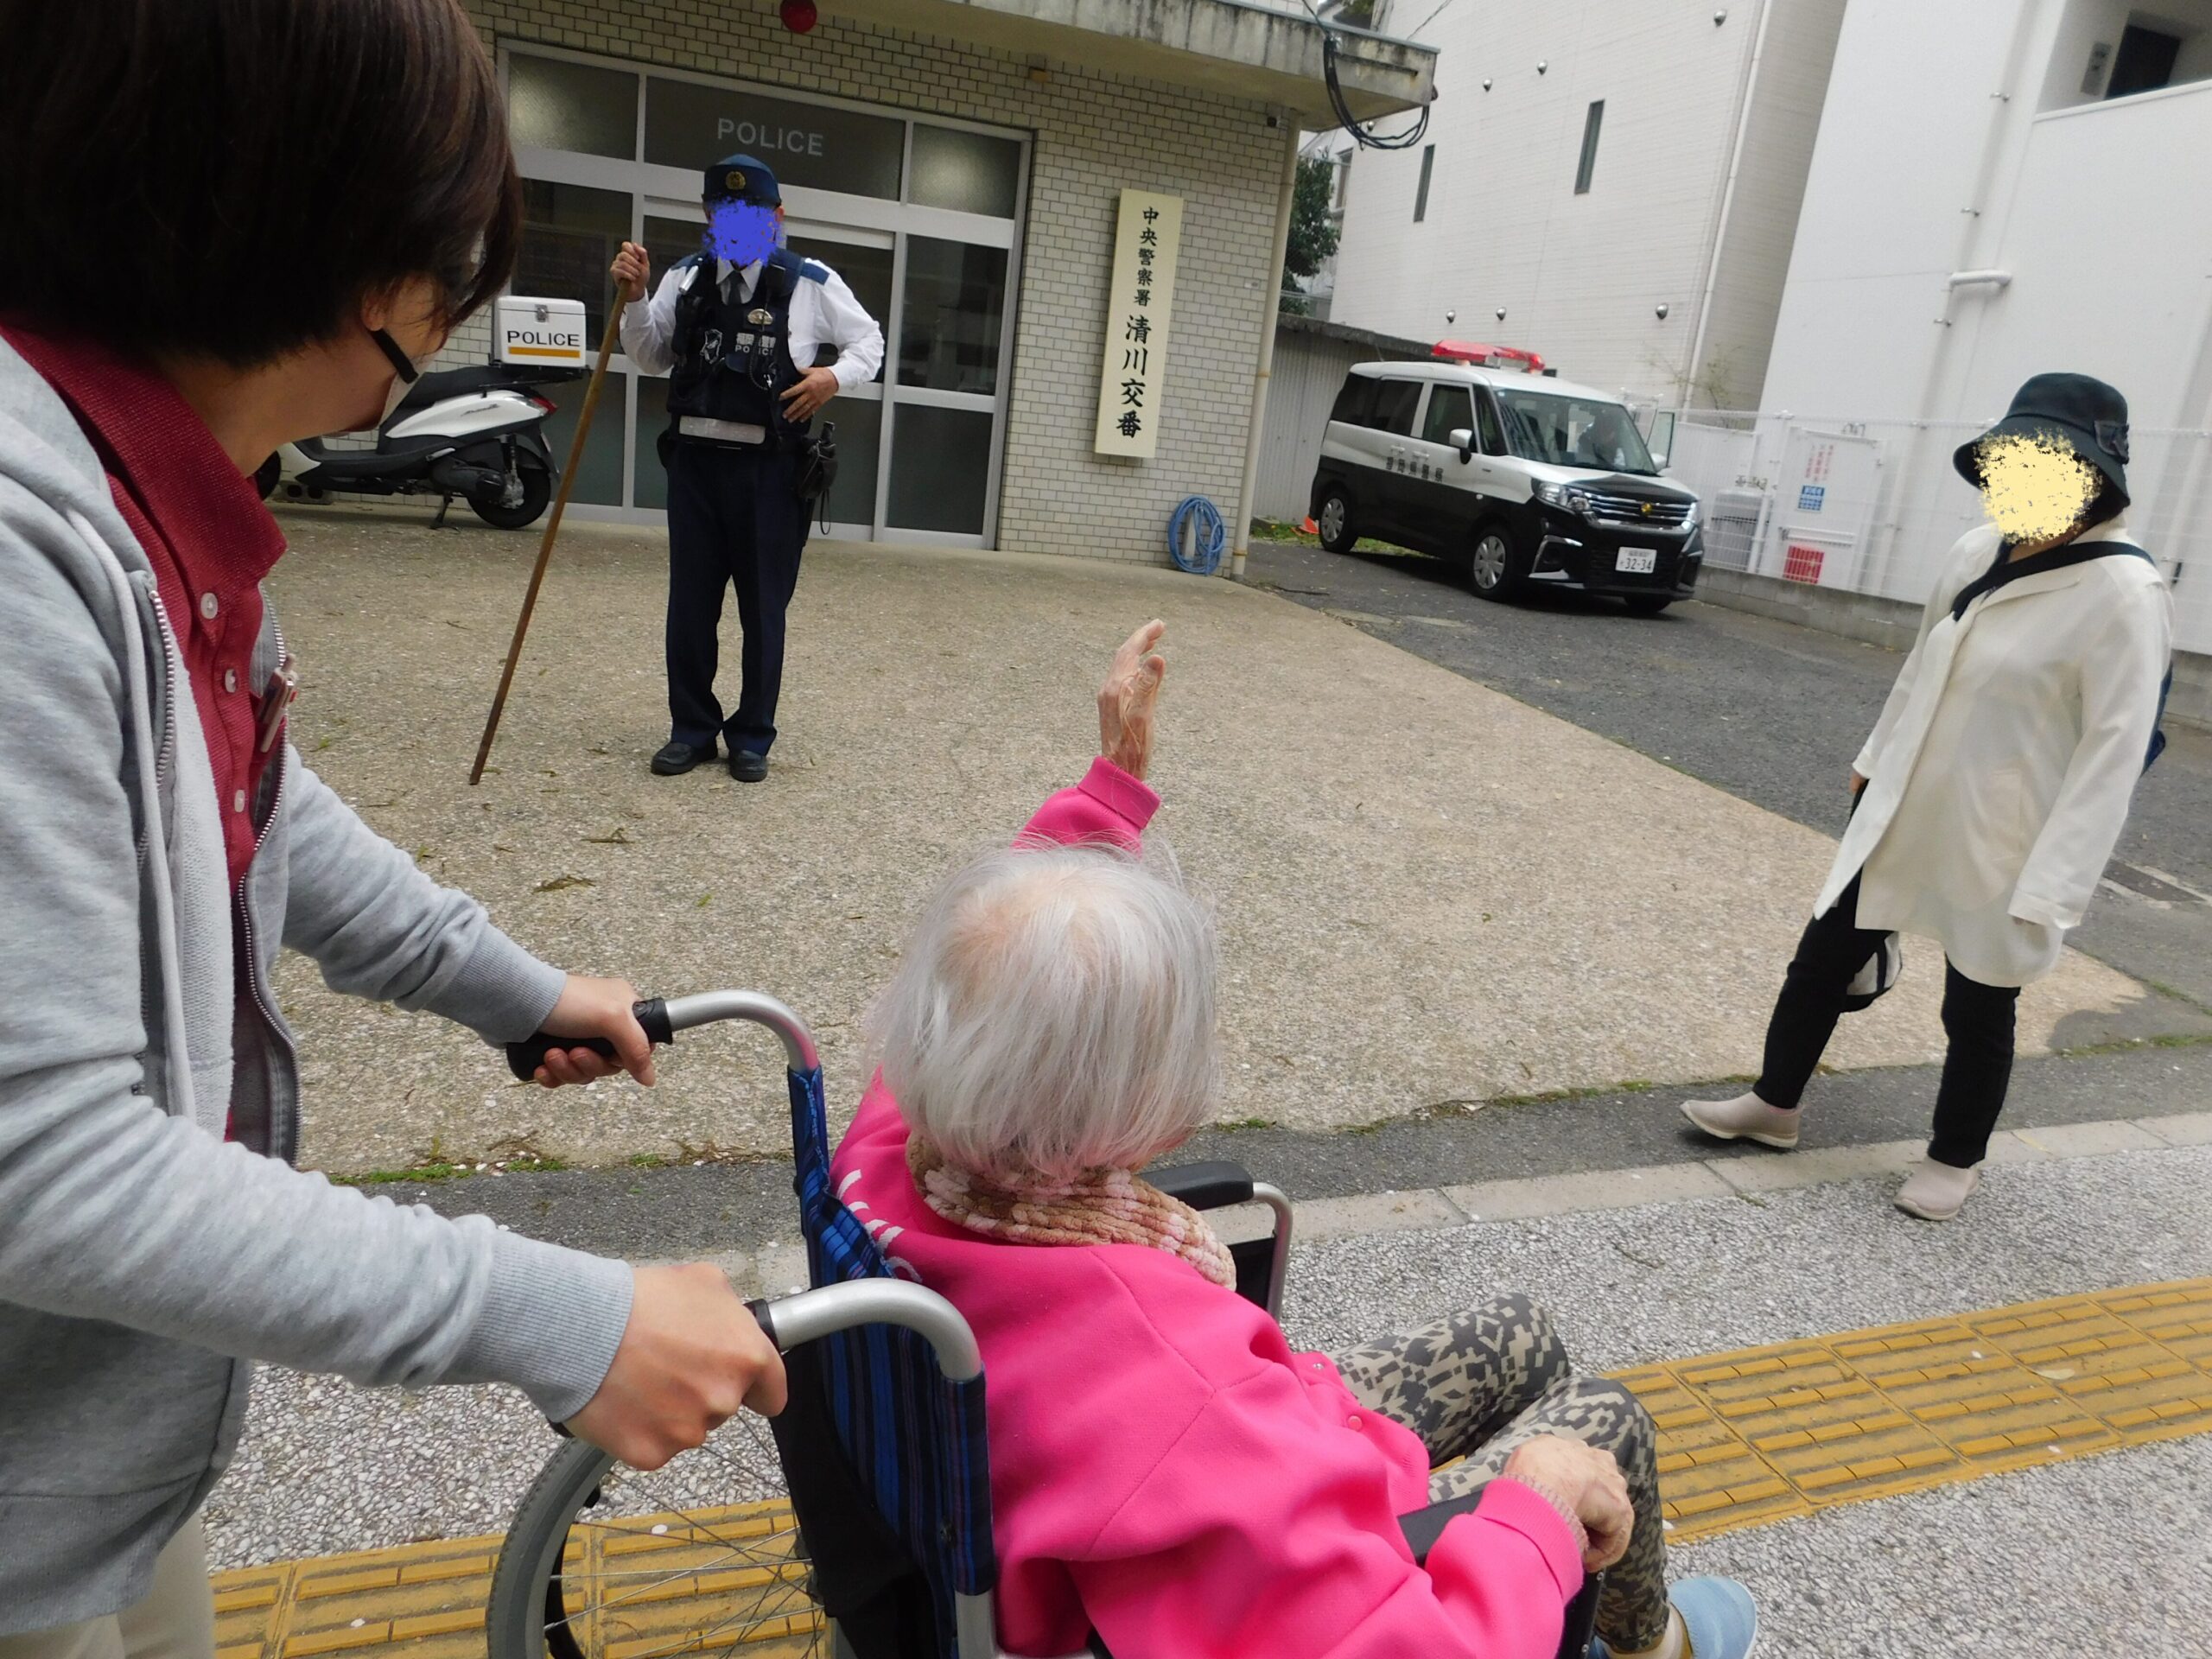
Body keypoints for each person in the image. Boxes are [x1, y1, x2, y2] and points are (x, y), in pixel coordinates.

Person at [0, 2, 785, 1651]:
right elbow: (47, 1167)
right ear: (292, 224)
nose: (445, 309)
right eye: (438, 262)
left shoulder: (154, 497)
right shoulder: (23, 552)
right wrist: (561, 1314)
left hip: (86, 1454)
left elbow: (257, 794)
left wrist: (510, 987)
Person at [828, 622, 1758, 1659]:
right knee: (1604, 1426)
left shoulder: (888, 1149)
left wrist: (1105, 799)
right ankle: (1659, 1645)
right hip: (1257, 1509)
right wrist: (1533, 1508)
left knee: (1522, 1332)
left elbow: (1003, 973)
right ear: (1129, 1105)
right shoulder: (1170, 1381)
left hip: (1155, 1467)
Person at [1682, 372, 2173, 1221]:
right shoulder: (1975, 552)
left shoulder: (2125, 595)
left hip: (2003, 834)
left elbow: (2113, 753)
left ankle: (1955, 1157)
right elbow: (1922, 665)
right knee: (1822, 956)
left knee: (1977, 999)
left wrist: (2055, 887)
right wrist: (1874, 758)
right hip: (1906, 800)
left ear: (2094, 481)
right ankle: (1773, 1103)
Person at [613, 156, 884, 783]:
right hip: (695, 470)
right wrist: (635, 299)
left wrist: (832, 377)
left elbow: (869, 340)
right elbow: (650, 356)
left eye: (752, 213)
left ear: (776, 217)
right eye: (725, 211)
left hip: (769, 476)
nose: (737, 223)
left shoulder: (808, 281)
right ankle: (691, 731)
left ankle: (752, 736)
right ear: (710, 216)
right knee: (690, 607)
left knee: (763, 611)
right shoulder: (684, 277)